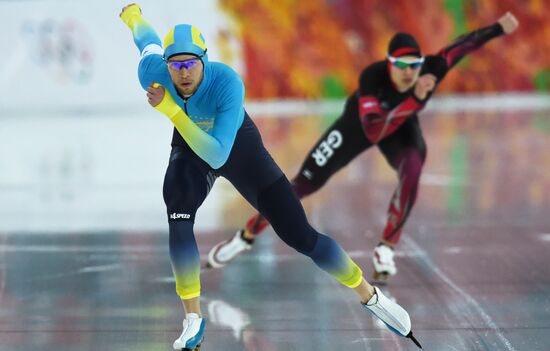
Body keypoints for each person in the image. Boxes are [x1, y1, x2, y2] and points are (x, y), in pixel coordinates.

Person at [119, 4, 422, 350]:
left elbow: (218, 153)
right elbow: (147, 42)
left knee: (302, 237)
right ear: (166, 68)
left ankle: (370, 297)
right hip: (190, 149)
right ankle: (193, 318)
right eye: (176, 66)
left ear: (205, 61)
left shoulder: (226, 82)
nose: (184, 73)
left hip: (238, 151)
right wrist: (133, 16)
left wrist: (171, 109)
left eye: (191, 64)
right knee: (178, 211)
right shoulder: (153, 73)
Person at [207, 12, 519, 280]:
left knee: (413, 167)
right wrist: (415, 98)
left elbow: (461, 47)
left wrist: (497, 29)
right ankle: (246, 237)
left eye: (415, 66)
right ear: (389, 64)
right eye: (402, 66)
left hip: (401, 129)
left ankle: (386, 248)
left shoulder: (430, 71)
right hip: (357, 127)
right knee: (301, 184)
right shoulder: (373, 76)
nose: (409, 73)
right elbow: (374, 126)